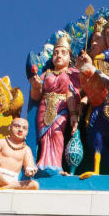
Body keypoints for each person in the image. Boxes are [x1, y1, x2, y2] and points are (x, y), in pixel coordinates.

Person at [28, 35, 80, 174]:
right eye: (56, 53)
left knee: (57, 134)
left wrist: (74, 114)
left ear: (70, 57)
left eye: (63, 53)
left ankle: (56, 165)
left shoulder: (73, 73)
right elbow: (35, 96)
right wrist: (36, 86)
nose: (59, 56)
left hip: (61, 107)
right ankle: (41, 163)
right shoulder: (46, 74)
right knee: (44, 137)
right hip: (44, 106)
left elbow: (73, 94)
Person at [0, 116, 38, 189]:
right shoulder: (2, 142)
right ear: (9, 128)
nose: (20, 130)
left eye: (24, 128)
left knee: (34, 184)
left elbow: (29, 166)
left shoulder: (26, 149)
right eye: (17, 126)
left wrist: (30, 171)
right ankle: (7, 186)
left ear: (27, 132)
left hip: (12, 179)